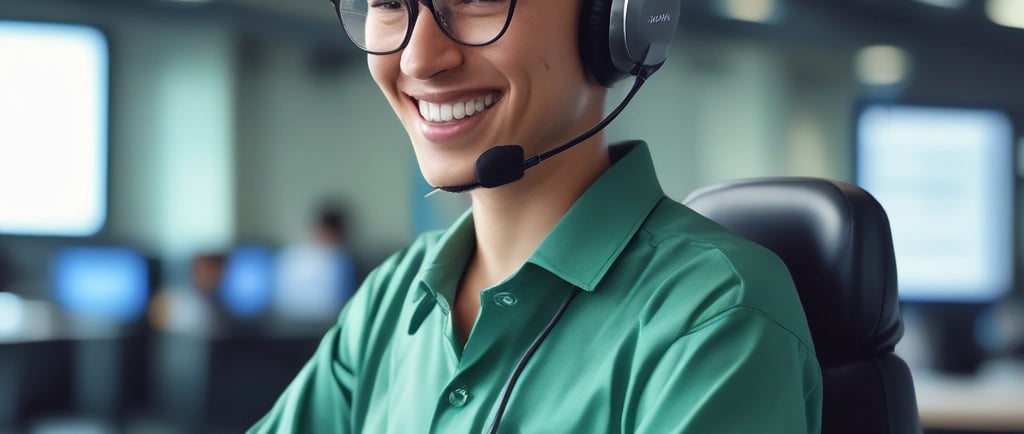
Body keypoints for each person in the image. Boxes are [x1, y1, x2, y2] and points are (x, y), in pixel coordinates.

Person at [250, 0, 822, 432]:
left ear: (616, 20)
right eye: (389, 3)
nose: (419, 57)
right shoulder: (391, 303)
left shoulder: (713, 318)